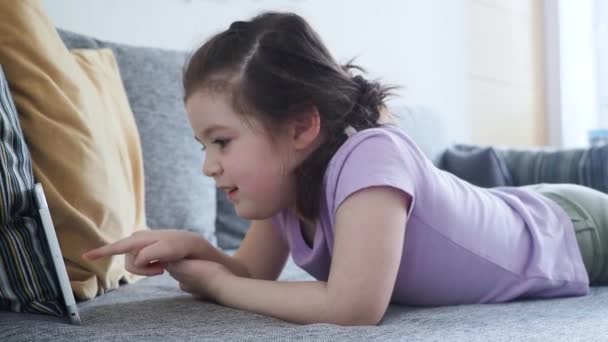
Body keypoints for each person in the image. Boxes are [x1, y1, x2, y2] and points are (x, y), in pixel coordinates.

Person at [83, 11, 608, 326]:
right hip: (529, 210)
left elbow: (354, 306)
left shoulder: (370, 157)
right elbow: (251, 275)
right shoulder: (282, 189)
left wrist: (217, 287)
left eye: (221, 141)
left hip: (569, 228)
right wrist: (193, 250)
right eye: (203, 145)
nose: (207, 167)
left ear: (301, 127)